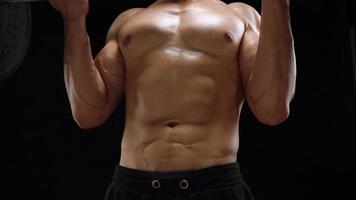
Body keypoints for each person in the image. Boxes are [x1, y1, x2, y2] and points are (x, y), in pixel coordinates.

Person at [49, 0, 296, 199]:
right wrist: (74, 19)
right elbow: (88, 112)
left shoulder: (239, 17)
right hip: (134, 187)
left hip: (213, 185)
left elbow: (272, 108)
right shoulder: (128, 23)